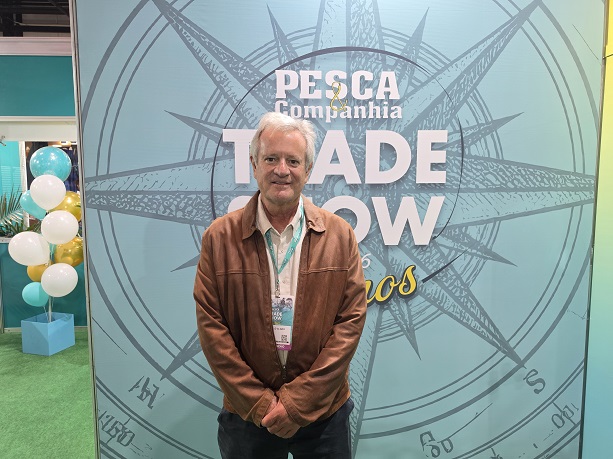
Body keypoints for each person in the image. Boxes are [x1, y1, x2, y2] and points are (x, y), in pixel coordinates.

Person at [194, 111, 367, 459]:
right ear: (254, 164)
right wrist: (260, 404)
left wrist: (297, 403)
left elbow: (350, 322)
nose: (282, 170)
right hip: (248, 416)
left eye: (293, 160)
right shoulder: (219, 238)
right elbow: (213, 329)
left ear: (308, 169)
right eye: (271, 158)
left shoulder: (340, 235)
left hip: (324, 414)